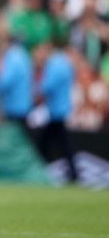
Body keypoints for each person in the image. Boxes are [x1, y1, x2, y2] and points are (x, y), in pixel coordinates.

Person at [33, 40, 79, 182]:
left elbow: (48, 86)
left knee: (59, 143)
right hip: (62, 108)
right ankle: (72, 172)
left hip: (55, 110)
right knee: (51, 142)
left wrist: (37, 90)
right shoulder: (66, 63)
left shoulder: (54, 63)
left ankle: (72, 172)